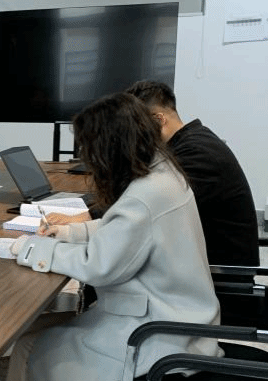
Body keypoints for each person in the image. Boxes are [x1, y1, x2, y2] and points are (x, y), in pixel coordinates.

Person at [0, 92, 220, 381]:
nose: (88, 157)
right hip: (174, 316)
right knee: (34, 335)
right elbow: (125, 229)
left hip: (156, 330)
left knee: (34, 349)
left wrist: (32, 248)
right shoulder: (162, 174)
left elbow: (100, 265)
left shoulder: (146, 195)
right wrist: (70, 233)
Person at [46, 81, 259, 266]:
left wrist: (84, 217)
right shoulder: (189, 142)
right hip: (189, 257)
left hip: (219, 275)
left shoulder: (197, 154)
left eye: (136, 125)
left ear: (158, 120)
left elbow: (145, 206)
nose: (132, 134)